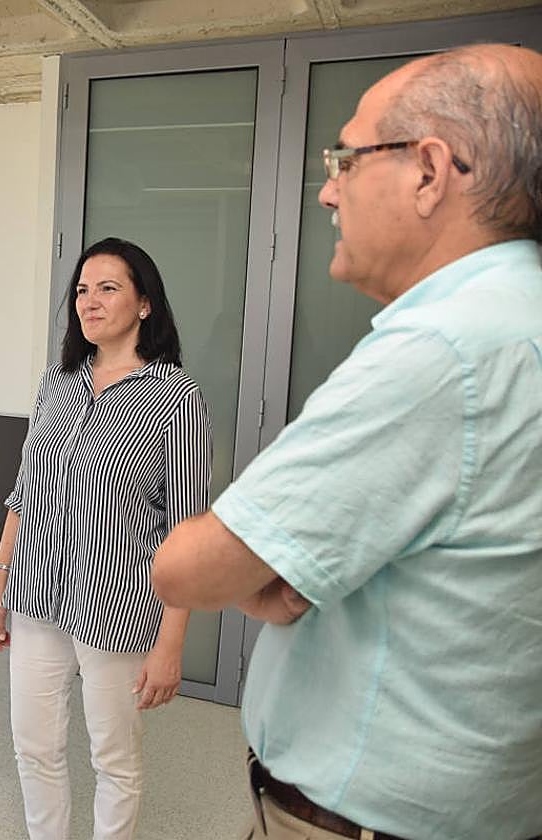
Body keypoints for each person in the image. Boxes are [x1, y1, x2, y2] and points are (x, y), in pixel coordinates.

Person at [152, 44, 542, 840]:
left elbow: (188, 567)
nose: (328, 190)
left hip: (365, 819)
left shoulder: (442, 352)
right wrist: (267, 566)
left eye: (346, 158)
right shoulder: (518, 319)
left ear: (430, 171)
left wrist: (256, 571)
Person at [0, 237, 212, 840]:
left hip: (118, 607)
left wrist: (171, 644)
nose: (89, 301)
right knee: (33, 747)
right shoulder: (57, 382)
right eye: (82, 290)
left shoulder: (176, 396)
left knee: (114, 760)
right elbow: (24, 488)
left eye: (108, 288)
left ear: (144, 305)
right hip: (35, 598)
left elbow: (187, 533)